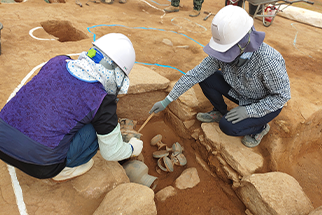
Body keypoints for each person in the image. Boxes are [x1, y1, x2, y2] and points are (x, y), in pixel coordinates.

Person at [0, 33, 143, 181]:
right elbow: (111, 153)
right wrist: (132, 148)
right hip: (42, 166)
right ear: (117, 73)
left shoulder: (58, 61)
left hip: (1, 141)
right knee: (96, 128)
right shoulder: (101, 99)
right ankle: (65, 170)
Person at [149, 5, 291, 148]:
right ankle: (220, 111)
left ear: (243, 44)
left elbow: (281, 96)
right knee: (206, 77)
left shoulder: (269, 60)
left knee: (228, 127)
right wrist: (167, 100)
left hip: (262, 102)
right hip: (239, 91)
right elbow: (195, 74)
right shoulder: (222, 53)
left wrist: (248, 111)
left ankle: (260, 128)